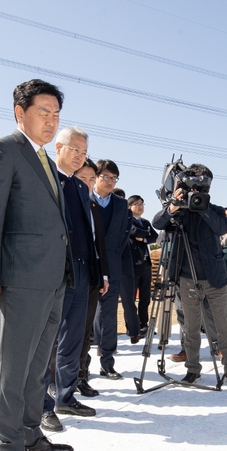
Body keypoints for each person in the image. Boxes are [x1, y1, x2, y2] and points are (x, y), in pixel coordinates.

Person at [0, 79, 75, 451]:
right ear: (20, 113)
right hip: (18, 282)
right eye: (43, 112)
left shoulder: (46, 162)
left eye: (56, 115)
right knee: (14, 369)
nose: (51, 121)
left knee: (38, 367)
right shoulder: (3, 151)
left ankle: (31, 434)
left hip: (53, 280)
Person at [152, 164, 227, 388]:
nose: (200, 189)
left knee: (224, 328)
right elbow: (157, 223)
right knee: (191, 329)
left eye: (205, 184)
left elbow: (222, 229)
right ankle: (193, 370)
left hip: (215, 279)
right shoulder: (179, 210)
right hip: (187, 278)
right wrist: (173, 207)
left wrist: (202, 209)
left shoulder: (215, 209)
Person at [44, 127, 106, 428]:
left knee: (74, 338)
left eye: (84, 152)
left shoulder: (81, 188)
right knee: (47, 342)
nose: (80, 156)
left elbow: (90, 236)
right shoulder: (46, 179)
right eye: (75, 150)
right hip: (57, 272)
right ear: (59, 148)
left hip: (83, 272)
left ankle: (65, 397)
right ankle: (42, 405)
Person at [91, 160, 135, 379]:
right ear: (96, 176)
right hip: (87, 265)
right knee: (82, 317)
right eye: (105, 176)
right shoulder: (84, 198)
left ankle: (107, 363)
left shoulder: (121, 204)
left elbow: (124, 235)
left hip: (113, 266)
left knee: (109, 316)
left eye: (113, 178)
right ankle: (80, 368)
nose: (109, 181)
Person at [74, 160, 110, 401]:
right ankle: (56, 381)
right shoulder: (64, 202)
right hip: (69, 276)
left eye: (90, 179)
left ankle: (80, 376)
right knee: (64, 333)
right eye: (82, 179)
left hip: (92, 276)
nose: (86, 184)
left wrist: (104, 275)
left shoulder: (94, 207)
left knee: (85, 331)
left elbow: (101, 245)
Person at [127, 196, 159, 337]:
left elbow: (155, 236)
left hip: (146, 264)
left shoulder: (145, 222)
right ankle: (132, 326)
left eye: (141, 204)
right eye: (136, 204)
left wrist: (145, 238)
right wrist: (146, 235)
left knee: (145, 297)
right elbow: (134, 232)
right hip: (132, 264)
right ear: (129, 207)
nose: (140, 206)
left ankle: (143, 325)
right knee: (131, 297)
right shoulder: (127, 219)